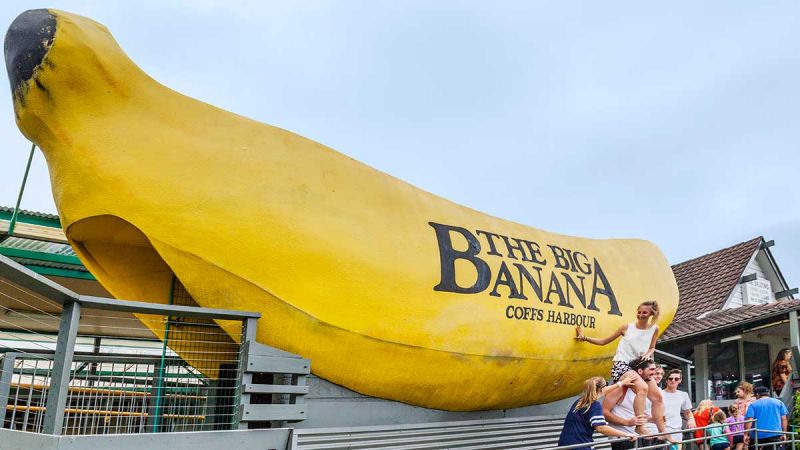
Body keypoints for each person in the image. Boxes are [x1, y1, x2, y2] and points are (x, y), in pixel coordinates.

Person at [577, 300, 665, 435]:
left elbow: (652, 347)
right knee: (643, 388)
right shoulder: (626, 327)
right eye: (639, 312)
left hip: (638, 366)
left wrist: (647, 355)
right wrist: (584, 338)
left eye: (644, 313)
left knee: (657, 397)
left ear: (651, 314)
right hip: (621, 365)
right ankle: (639, 426)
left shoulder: (654, 329)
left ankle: (663, 432)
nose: (640, 315)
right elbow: (603, 341)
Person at [558, 374, 638, 450]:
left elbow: (604, 390)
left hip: (564, 445)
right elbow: (601, 428)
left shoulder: (579, 402)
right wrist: (627, 434)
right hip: (580, 445)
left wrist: (621, 383)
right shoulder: (594, 405)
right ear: (601, 389)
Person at [603, 356, 662, 450]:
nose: (654, 374)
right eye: (651, 370)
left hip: (641, 438)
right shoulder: (621, 388)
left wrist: (654, 420)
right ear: (639, 371)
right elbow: (604, 412)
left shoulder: (643, 392)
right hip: (623, 439)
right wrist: (627, 422)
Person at [743, 386, 788, 450]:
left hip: (757, 436)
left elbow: (749, 420)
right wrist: (784, 433)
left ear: (757, 394)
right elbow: (784, 419)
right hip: (775, 434)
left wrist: (745, 435)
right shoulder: (779, 402)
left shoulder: (753, 405)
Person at [660, 369, 695, 450]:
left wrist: (691, 419)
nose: (673, 380)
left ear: (680, 380)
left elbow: (687, 412)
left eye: (676, 379)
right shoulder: (659, 393)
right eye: (670, 378)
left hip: (677, 431)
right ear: (666, 380)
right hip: (662, 430)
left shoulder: (683, 395)